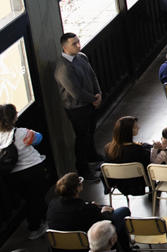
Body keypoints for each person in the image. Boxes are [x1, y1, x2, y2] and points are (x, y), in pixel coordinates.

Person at [54, 32, 103, 180]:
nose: (78, 45)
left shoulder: (81, 57)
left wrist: (98, 94)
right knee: (82, 138)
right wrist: (93, 99)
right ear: (65, 47)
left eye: (78, 42)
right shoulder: (64, 68)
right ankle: (82, 169)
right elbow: (75, 92)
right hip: (77, 109)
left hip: (90, 104)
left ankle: (92, 155)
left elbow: (92, 75)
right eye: (74, 44)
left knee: (90, 131)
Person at [47, 173, 132, 252]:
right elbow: (105, 225)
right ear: (77, 188)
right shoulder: (87, 209)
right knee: (123, 212)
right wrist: (106, 212)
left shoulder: (52, 204)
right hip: (87, 244)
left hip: (61, 247)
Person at [0, 103, 48, 239]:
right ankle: (35, 228)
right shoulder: (21, 133)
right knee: (35, 199)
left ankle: (49, 217)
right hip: (33, 170)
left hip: (11, 176)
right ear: (13, 118)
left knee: (32, 198)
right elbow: (38, 138)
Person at [103, 116, 151, 196]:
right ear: (128, 131)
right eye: (135, 127)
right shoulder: (138, 150)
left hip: (119, 182)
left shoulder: (108, 148)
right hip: (137, 183)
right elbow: (147, 165)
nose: (138, 127)